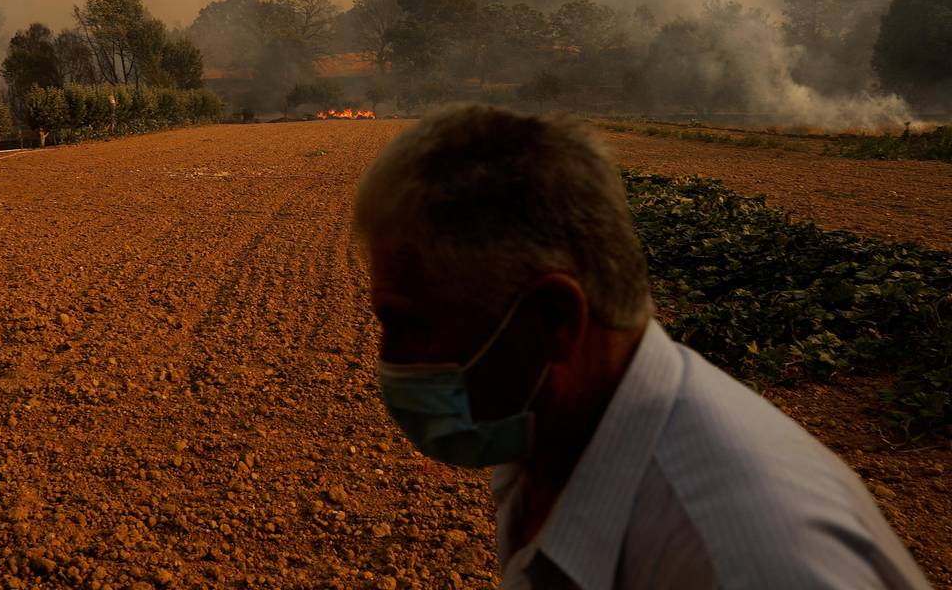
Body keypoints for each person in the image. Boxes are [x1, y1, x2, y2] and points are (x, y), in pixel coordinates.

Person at [353, 105, 929, 589]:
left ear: (554, 318)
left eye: (408, 325)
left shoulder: (741, 558)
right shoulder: (544, 440)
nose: (390, 359)